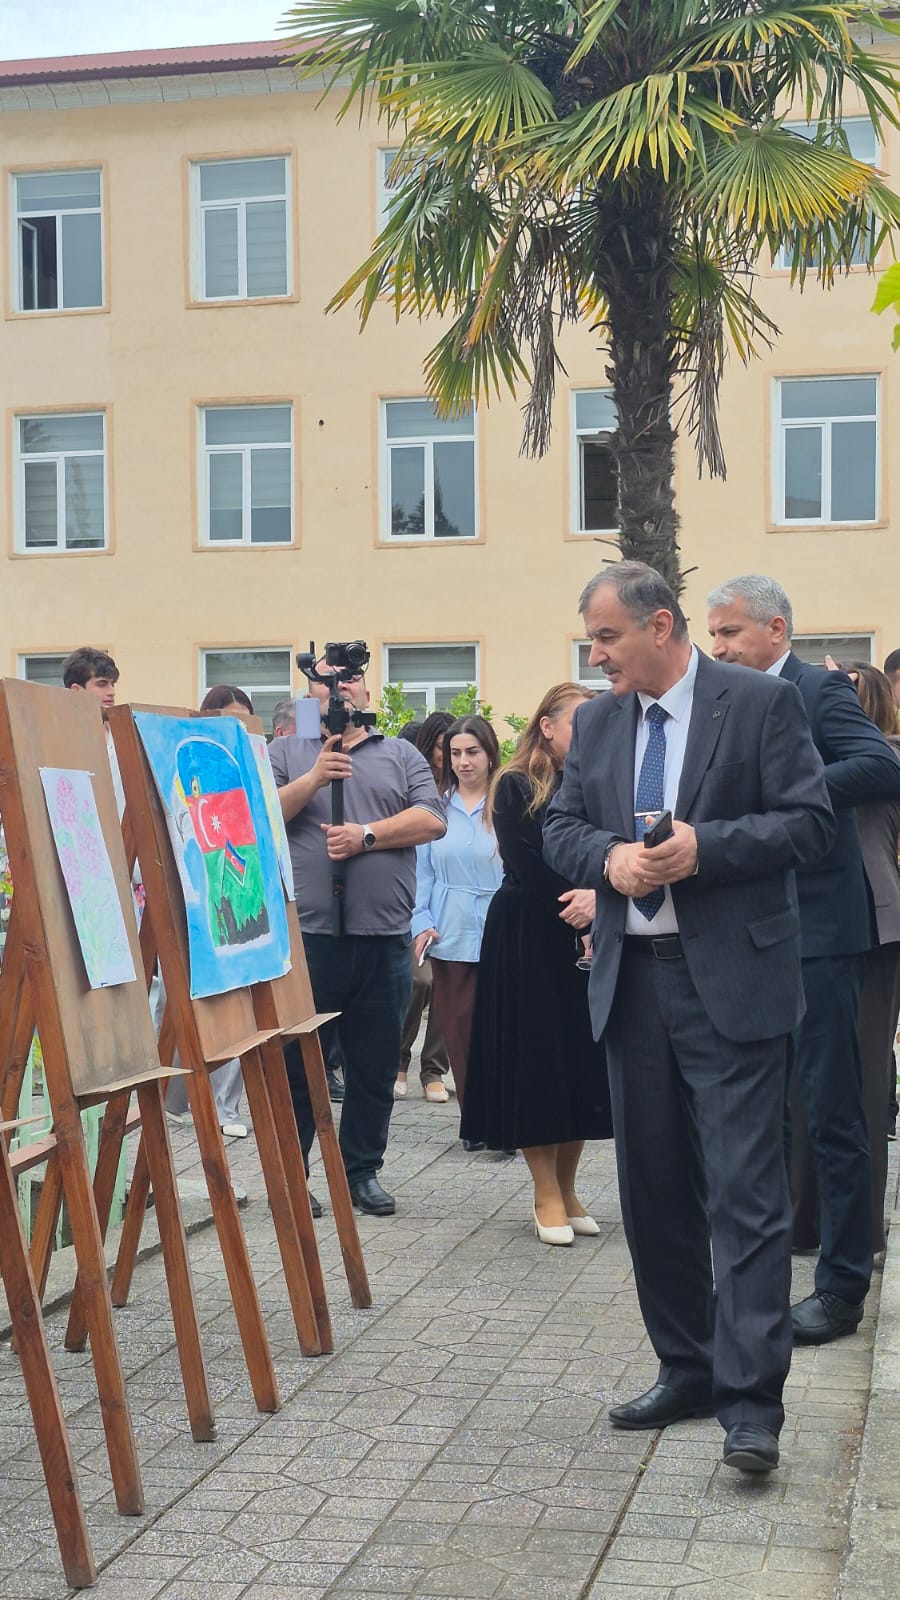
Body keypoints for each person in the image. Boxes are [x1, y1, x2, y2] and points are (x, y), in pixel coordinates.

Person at [543, 562, 834, 1477]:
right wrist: (611, 860)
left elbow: (811, 824)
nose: (594, 656)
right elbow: (557, 828)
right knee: (656, 1194)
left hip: (733, 989)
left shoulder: (757, 704)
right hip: (634, 987)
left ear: (659, 625)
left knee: (747, 1202)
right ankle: (689, 1368)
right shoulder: (595, 722)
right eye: (591, 640)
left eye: (605, 638)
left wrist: (707, 849)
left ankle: (752, 1409)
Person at [708, 576, 900, 1346]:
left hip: (823, 931)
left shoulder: (818, 691)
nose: (717, 648)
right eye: (712, 636)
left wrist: (788, 798)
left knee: (833, 1114)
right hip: (748, 931)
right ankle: (758, 1278)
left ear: (775, 630)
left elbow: (883, 769)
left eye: (729, 634)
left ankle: (844, 1286)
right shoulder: (722, 701)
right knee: (762, 1116)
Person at [269, 666, 446, 1215]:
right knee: (299, 1068)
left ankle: (359, 1174)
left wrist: (366, 836)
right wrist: (316, 778)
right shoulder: (288, 753)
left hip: (383, 943)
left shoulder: (399, 754)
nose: (341, 691)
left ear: (366, 692)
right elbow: (259, 816)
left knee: (372, 1067)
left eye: (351, 681)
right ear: (310, 696)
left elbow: (432, 819)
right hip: (310, 943)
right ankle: (292, 1179)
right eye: (329, 683)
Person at [461, 684, 613, 1241]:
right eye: (580, 722)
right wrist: (585, 900)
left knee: (576, 1063)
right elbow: (530, 859)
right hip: (529, 932)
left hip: (585, 929)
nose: (592, 733)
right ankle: (544, 1190)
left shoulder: (595, 779)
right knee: (536, 1062)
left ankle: (568, 1188)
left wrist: (601, 906)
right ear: (546, 726)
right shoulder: (515, 783)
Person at [411, 716, 503, 1116]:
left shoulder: (507, 803)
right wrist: (421, 922)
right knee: (459, 1027)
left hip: (501, 928)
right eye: (455, 753)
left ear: (489, 754)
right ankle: (475, 1116)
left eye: (472, 752)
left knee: (501, 1026)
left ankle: (503, 1113)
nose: (463, 762)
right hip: (450, 930)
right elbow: (422, 873)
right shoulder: (435, 808)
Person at [395, 712, 454, 1102]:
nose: (449, 756)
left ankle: (434, 1069)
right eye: (442, 746)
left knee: (449, 985)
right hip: (409, 896)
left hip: (450, 901)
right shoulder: (410, 784)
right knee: (420, 980)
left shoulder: (461, 791)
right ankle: (397, 1061)